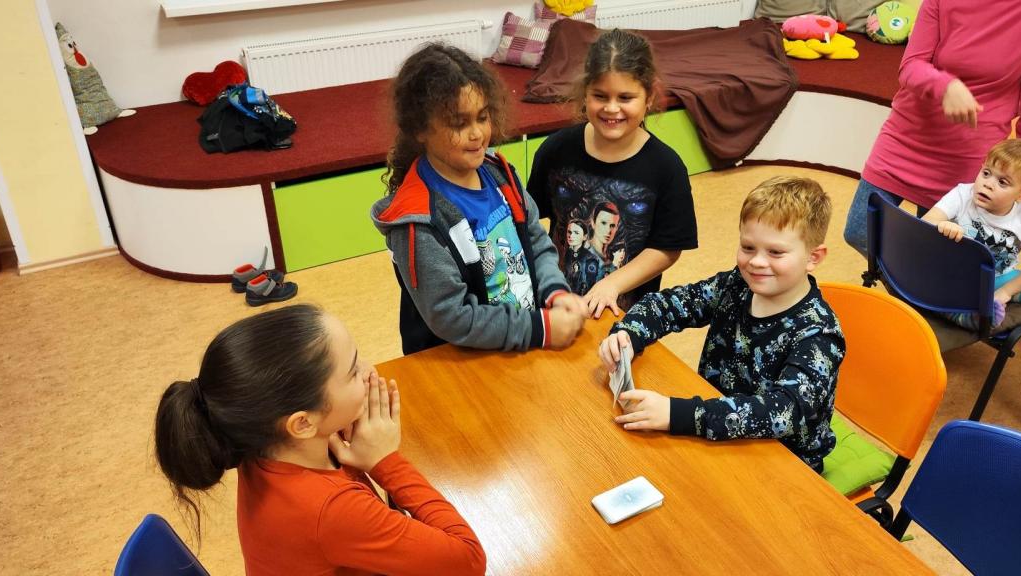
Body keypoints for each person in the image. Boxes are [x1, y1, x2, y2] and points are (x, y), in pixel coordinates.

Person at [153, 305, 486, 575]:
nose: (370, 371)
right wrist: (386, 462)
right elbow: (468, 560)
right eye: (353, 372)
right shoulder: (331, 510)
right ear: (302, 423)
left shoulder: (259, 439)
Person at [597, 176, 844, 471]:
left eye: (775, 252)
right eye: (748, 247)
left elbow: (783, 411)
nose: (757, 262)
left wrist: (679, 414)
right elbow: (670, 304)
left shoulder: (819, 333)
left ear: (813, 257)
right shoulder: (736, 285)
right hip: (714, 433)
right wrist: (628, 334)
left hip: (781, 463)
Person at [370, 43, 586, 354]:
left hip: (518, 345)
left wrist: (555, 291)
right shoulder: (419, 221)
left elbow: (536, 241)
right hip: (465, 363)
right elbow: (452, 317)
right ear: (420, 130)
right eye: (459, 124)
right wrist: (539, 329)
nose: (477, 134)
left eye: (482, 118)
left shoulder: (500, 175)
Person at [842, 0, 1021, 257]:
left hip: (970, 153)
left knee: (934, 254)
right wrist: (945, 86)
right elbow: (910, 66)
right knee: (860, 232)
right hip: (906, 133)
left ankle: (915, 280)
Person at [527, 28, 698, 318]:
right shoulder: (555, 149)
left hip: (624, 318)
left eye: (626, 97)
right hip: (556, 306)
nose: (611, 108)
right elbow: (529, 222)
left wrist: (612, 284)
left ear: (649, 97)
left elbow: (667, 248)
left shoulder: (667, 167)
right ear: (585, 93)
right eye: (600, 96)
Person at [921, 139, 1021, 329]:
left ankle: (985, 311)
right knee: (935, 291)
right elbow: (926, 221)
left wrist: (1006, 292)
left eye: (1002, 182)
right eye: (986, 173)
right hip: (953, 277)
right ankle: (972, 318)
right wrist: (942, 225)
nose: (988, 184)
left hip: (998, 279)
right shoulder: (962, 194)